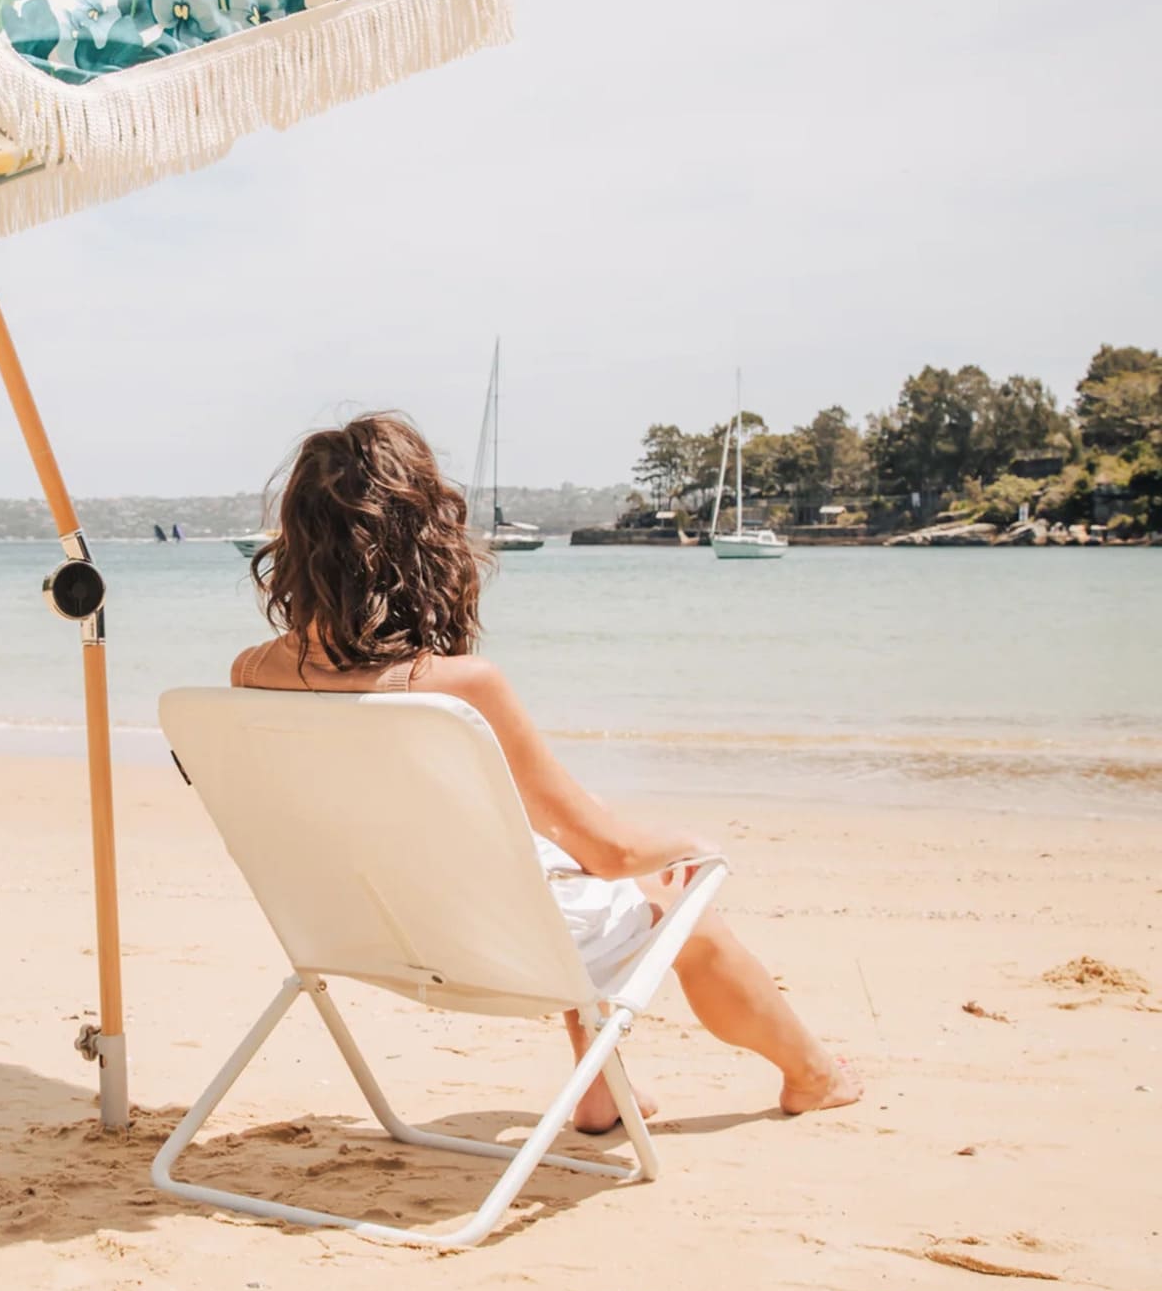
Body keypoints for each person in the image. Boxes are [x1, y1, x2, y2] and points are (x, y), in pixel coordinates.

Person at [232, 413, 861, 1128]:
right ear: (421, 537)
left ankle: (602, 1090)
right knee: (680, 896)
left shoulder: (251, 673)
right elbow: (612, 853)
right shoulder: (459, 685)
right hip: (491, 947)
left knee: (555, 863)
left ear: (298, 539)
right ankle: (813, 1076)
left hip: (359, 935)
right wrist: (689, 845)